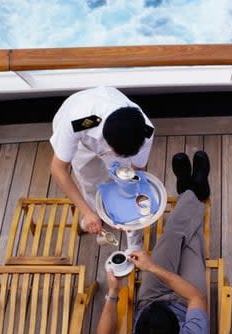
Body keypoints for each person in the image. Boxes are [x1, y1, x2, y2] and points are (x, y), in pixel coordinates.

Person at [96, 151, 211, 334]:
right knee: (188, 241)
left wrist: (112, 292)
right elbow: (197, 299)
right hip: (187, 303)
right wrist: (151, 268)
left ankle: (191, 192)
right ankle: (193, 192)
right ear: (179, 333)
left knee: (174, 237)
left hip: (150, 298)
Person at [49, 86, 155, 252]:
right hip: (80, 145)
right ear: (108, 143)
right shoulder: (78, 120)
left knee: (127, 181)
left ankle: (134, 238)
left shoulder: (145, 131)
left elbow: (138, 170)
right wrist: (86, 211)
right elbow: (58, 169)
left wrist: (135, 199)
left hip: (119, 140)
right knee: (91, 184)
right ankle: (94, 215)